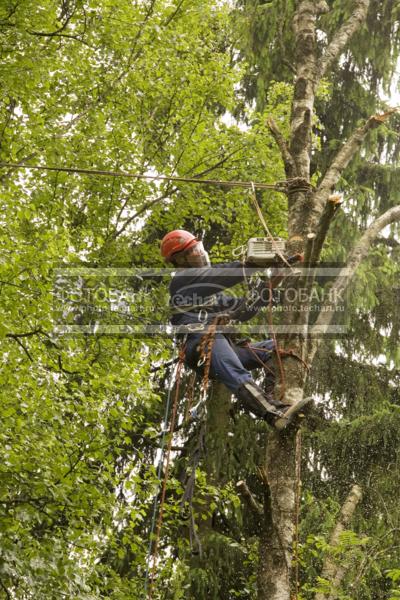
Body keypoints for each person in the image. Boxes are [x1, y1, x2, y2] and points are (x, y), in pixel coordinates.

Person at [160, 229, 306, 430]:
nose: (200, 253)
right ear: (180, 259)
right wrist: (250, 265)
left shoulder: (212, 298)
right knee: (237, 373)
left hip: (223, 343)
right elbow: (220, 276)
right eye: (194, 250)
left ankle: (273, 398)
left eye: (198, 248)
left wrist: (274, 282)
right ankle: (275, 414)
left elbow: (244, 309)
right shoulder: (181, 282)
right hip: (201, 343)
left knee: (276, 348)